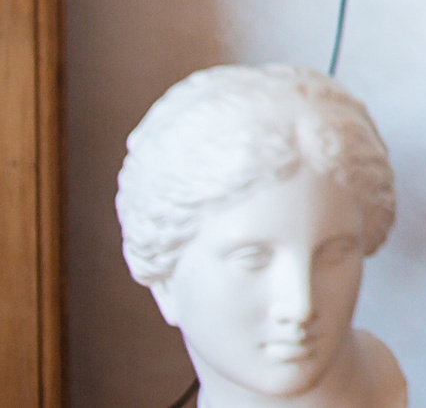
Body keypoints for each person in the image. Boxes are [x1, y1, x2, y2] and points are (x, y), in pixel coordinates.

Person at [118, 65, 408, 408]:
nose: (300, 307)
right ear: (165, 282)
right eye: (252, 258)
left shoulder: (379, 382)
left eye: (335, 253)